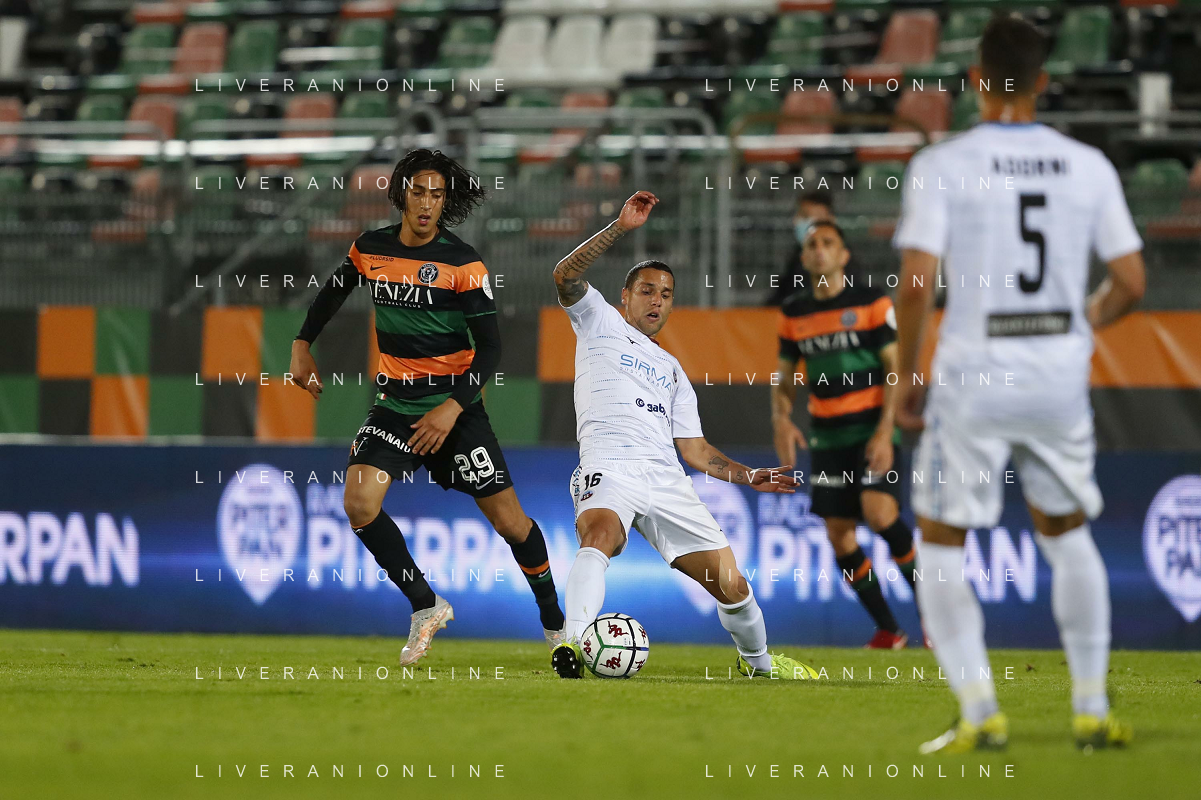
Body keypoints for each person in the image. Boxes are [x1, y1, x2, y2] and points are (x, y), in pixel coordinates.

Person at [893, 16, 1145, 753]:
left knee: (941, 540)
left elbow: (916, 283)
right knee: (1067, 533)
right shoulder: (1087, 165)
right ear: (1042, 81)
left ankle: (980, 712)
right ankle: (1090, 709)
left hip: (976, 369)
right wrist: (1082, 323)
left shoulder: (943, 163)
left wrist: (908, 375)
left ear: (975, 80)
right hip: (1056, 372)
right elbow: (1131, 281)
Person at [289, 149, 566, 666]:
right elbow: (332, 293)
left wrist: (452, 408)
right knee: (359, 503)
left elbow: (491, 350)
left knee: (512, 525)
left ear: (445, 202)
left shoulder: (463, 264)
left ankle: (556, 626)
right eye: (418, 192)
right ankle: (426, 604)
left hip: (456, 411)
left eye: (437, 195)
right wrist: (302, 344)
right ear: (401, 194)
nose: (426, 204)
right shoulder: (369, 249)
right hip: (395, 406)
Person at [548, 190, 820, 681]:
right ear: (625, 296)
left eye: (666, 293)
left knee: (732, 586)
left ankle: (759, 666)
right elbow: (565, 276)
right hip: (610, 465)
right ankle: (571, 643)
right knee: (601, 534)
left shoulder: (673, 370)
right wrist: (618, 228)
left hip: (666, 480)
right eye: (647, 290)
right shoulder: (597, 320)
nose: (657, 300)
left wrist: (747, 475)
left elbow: (695, 450)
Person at [771, 220, 920, 649]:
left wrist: (886, 431)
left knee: (879, 514)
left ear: (843, 255)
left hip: (872, 429)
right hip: (828, 437)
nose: (819, 249)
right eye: (812, 244)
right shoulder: (793, 313)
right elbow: (784, 378)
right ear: (803, 258)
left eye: (828, 243)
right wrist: (781, 418)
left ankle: (937, 617)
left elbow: (894, 370)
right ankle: (890, 630)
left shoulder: (871, 301)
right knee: (839, 534)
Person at [765, 190, 835, 307]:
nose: (808, 223)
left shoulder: (841, 261)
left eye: (815, 218)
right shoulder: (796, 258)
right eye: (804, 216)